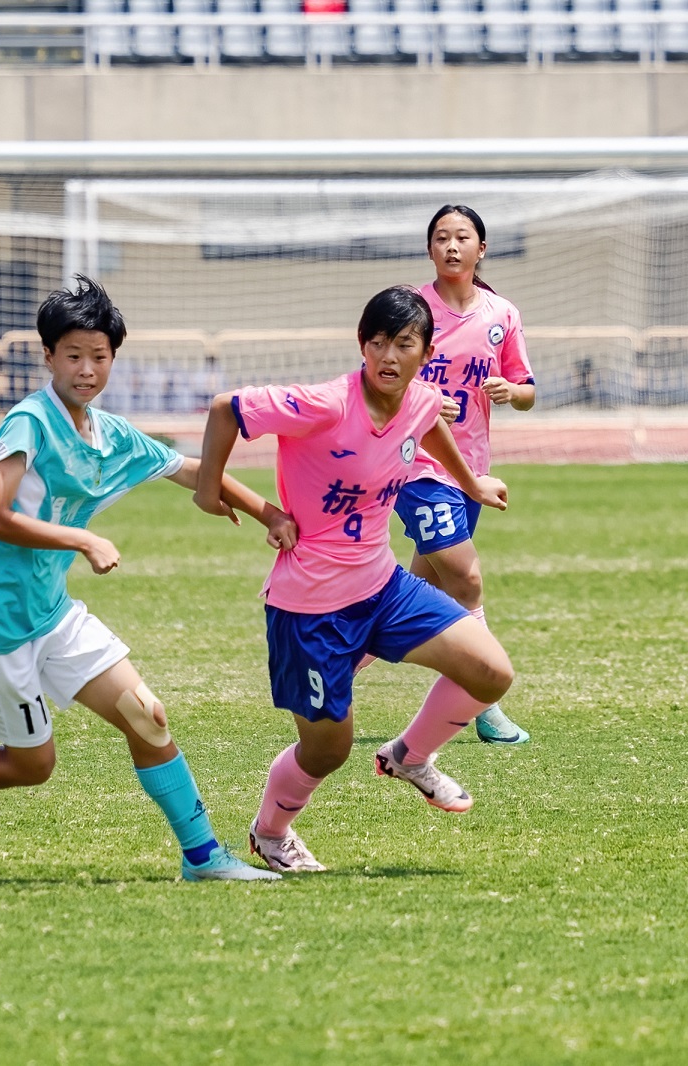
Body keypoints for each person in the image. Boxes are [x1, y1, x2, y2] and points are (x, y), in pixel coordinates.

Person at [0, 277, 296, 882]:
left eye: (99, 357)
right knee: (32, 766)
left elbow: (190, 470)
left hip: (51, 613)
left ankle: (203, 857)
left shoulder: (108, 433)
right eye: (73, 356)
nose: (87, 370)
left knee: (146, 714)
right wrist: (83, 538)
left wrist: (267, 512)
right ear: (49, 357)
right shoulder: (28, 423)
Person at [193, 285, 515, 874]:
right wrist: (209, 489)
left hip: (384, 589)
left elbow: (428, 428)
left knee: (491, 671)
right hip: (309, 608)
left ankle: (409, 757)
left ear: (425, 350)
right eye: (376, 342)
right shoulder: (323, 403)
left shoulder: (419, 398)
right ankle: (270, 833)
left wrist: (470, 484)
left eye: (403, 344)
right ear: (362, 344)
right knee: (328, 751)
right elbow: (225, 409)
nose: (387, 355)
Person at [397, 205, 537, 745]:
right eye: (441, 237)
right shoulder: (411, 309)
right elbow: (377, 381)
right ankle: (485, 703)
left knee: (414, 593)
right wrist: (423, 399)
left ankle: (344, 656)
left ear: (483, 248)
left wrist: (509, 391)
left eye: (462, 237)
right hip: (416, 466)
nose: (451, 246)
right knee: (467, 580)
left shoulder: (502, 314)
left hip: (470, 472)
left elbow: (526, 390)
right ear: (429, 249)